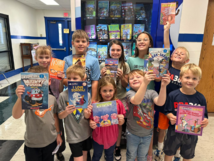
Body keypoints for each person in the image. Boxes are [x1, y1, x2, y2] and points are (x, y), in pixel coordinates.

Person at [154, 22, 190, 161]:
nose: (178, 54)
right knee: (162, 128)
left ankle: (176, 153)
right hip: (164, 105)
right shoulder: (166, 65)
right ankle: (160, 149)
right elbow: (166, 47)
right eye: (176, 52)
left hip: (179, 106)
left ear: (186, 60)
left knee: (179, 129)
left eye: (182, 54)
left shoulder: (186, 72)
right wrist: (166, 31)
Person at [12, 66, 62, 161]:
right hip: (32, 143)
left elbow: (54, 117)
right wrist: (20, 98)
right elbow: (16, 115)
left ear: (49, 81)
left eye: (41, 82)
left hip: (50, 140)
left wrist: (58, 134)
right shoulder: (27, 99)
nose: (38, 85)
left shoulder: (52, 98)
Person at [163, 63, 208, 161]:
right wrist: (171, 117)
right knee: (169, 152)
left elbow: (205, 116)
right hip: (173, 131)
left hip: (192, 133)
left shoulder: (201, 98)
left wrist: (205, 121)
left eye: (194, 78)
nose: (190, 81)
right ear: (180, 79)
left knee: (187, 155)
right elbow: (167, 111)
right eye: (187, 77)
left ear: (199, 81)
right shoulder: (173, 95)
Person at [126, 69, 170, 161]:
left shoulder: (151, 93)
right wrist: (144, 84)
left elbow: (160, 102)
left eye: (138, 77)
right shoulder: (130, 93)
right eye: (131, 78)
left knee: (143, 157)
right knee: (131, 156)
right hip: (132, 133)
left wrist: (163, 86)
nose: (135, 79)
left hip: (147, 134)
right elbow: (136, 101)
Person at [127, 31, 156, 161]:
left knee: (149, 124)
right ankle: (134, 155)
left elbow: (159, 77)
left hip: (150, 97)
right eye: (139, 39)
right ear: (136, 43)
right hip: (135, 97)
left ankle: (148, 155)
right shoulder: (130, 60)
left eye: (145, 39)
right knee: (136, 122)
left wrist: (166, 31)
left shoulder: (154, 59)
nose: (142, 41)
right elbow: (127, 79)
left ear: (150, 43)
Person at [100, 40, 130, 160]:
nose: (115, 52)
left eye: (118, 50)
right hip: (107, 98)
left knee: (118, 123)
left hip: (120, 98)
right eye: (113, 50)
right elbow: (101, 84)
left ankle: (117, 147)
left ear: (122, 51)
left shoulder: (125, 65)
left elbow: (126, 85)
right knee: (105, 123)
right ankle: (106, 146)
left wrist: (122, 76)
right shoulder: (103, 65)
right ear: (109, 51)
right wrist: (102, 76)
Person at [34, 45, 66, 161]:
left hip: (56, 103)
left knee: (59, 128)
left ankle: (59, 150)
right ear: (36, 57)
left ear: (51, 58)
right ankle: (43, 148)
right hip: (39, 104)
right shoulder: (34, 72)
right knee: (44, 126)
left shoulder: (56, 70)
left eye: (47, 57)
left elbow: (61, 90)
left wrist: (62, 79)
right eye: (41, 57)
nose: (44, 60)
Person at [84, 76, 126, 161]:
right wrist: (91, 123)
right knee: (96, 155)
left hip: (112, 136)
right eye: (104, 91)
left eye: (110, 90)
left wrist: (121, 120)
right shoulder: (95, 104)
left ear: (114, 90)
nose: (108, 93)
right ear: (99, 91)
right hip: (98, 136)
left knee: (110, 155)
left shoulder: (118, 103)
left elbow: (121, 122)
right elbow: (91, 119)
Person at [58, 65, 92, 161]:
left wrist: (87, 113)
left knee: (85, 157)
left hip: (86, 133)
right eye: (69, 78)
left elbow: (87, 117)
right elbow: (60, 116)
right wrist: (66, 112)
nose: (71, 81)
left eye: (75, 78)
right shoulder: (63, 95)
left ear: (82, 79)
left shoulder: (87, 95)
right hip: (73, 135)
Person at [62, 29, 100, 103]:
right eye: (77, 41)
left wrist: (93, 99)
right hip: (70, 94)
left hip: (88, 93)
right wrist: (76, 80)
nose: (80, 44)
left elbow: (95, 81)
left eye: (83, 41)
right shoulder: (67, 60)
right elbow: (64, 80)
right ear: (72, 43)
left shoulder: (94, 60)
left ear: (88, 44)